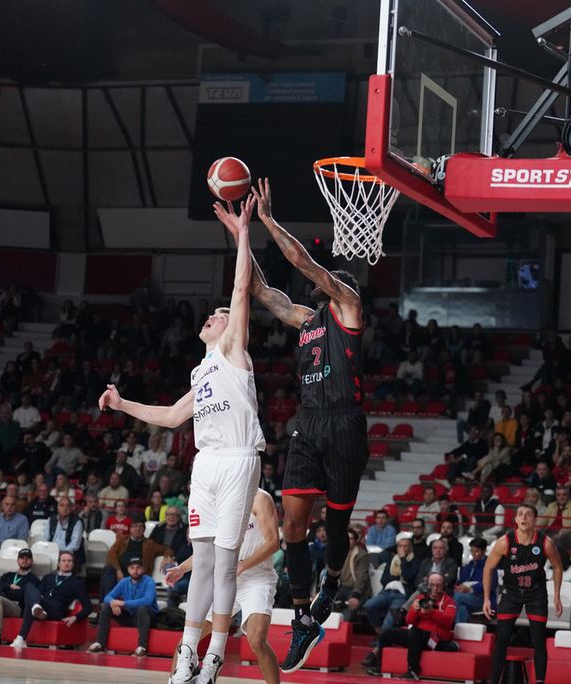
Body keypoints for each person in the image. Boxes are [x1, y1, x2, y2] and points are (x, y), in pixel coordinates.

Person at [100, 195, 263, 684]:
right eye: (211, 314)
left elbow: (240, 288)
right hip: (206, 464)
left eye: (219, 315)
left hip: (238, 459)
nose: (212, 316)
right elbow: (171, 417)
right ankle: (188, 652)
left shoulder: (233, 351)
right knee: (204, 561)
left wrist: (243, 234)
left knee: (226, 564)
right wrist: (123, 404)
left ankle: (215, 656)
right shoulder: (201, 371)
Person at [234, 178, 369, 673]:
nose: (318, 282)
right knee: (292, 525)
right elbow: (262, 291)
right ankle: (303, 618)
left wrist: (269, 220)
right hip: (309, 423)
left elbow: (304, 263)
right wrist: (242, 234)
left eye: (327, 280)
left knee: (335, 528)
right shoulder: (308, 319)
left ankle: (331, 583)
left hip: (346, 425)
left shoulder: (348, 306)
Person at [167, 489, 283, 683]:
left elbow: (273, 543)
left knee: (257, 640)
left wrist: (244, 565)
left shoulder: (260, 498)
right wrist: (181, 568)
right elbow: (209, 550)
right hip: (227, 579)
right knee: (189, 638)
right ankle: (174, 679)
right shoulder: (220, 501)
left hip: (258, 578)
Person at [483, 503, 563, 684]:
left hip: (536, 594)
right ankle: (493, 681)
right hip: (511, 593)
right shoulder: (504, 542)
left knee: (538, 641)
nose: (524, 517)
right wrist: (487, 598)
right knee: (502, 639)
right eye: (520, 514)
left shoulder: (546, 543)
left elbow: (558, 567)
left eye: (528, 514)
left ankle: (540, 681)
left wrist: (557, 595)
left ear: (535, 520)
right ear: (516, 519)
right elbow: (488, 568)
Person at [363, 572, 459, 679]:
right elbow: (409, 621)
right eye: (432, 585)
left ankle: (413, 670)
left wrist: (431, 612)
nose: (435, 588)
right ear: (427, 585)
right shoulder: (421, 598)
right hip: (417, 636)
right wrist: (415, 610)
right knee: (387, 633)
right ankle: (381, 666)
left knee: (415, 631)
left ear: (444, 586)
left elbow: (448, 622)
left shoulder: (449, 601)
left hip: (435, 639)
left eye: (438, 585)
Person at [10, 551, 91, 648]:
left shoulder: (77, 583)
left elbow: (88, 607)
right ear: (58, 564)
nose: (66, 563)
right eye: (63, 561)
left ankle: (21, 638)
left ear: (73, 564)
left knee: (32, 602)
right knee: (29, 587)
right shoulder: (48, 577)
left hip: (56, 611)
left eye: (69, 561)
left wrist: (75, 617)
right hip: (42, 607)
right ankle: (35, 610)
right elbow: (37, 593)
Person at [89, 555, 160, 656]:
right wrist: (113, 603)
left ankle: (142, 647)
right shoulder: (124, 582)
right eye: (132, 568)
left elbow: (147, 600)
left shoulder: (149, 581)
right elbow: (107, 597)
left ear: (143, 569)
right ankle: (100, 643)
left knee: (142, 608)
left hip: (149, 618)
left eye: (138, 568)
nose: (135, 571)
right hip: (132, 617)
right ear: (128, 570)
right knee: (105, 606)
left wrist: (123, 603)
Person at [453, 538, 496, 624]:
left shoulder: (490, 565)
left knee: (458, 597)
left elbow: (491, 584)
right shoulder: (470, 565)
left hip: (483, 599)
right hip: (468, 598)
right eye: (472, 551)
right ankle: (460, 629)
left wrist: (471, 589)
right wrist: (458, 586)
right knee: (462, 608)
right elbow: (462, 580)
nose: (473, 554)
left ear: (484, 551)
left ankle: (448, 624)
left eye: (477, 551)